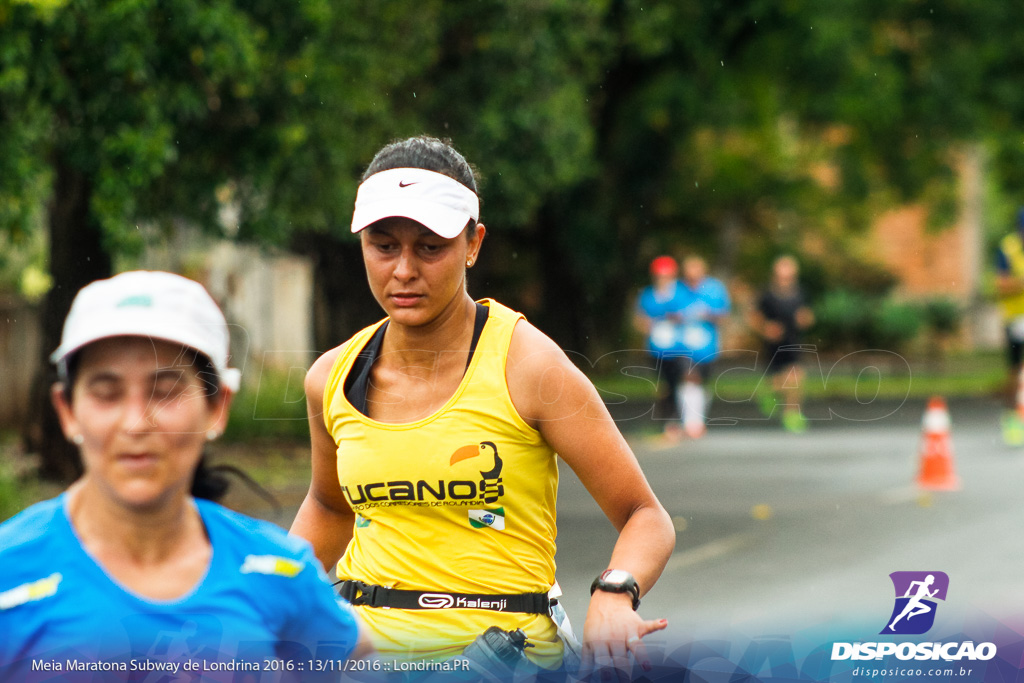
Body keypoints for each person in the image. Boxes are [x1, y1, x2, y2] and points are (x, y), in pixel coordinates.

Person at [289, 136, 675, 678]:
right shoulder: (332, 377)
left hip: (504, 658)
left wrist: (616, 592)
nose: (403, 270)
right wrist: (272, 596)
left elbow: (645, 516)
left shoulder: (530, 365)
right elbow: (330, 510)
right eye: (383, 245)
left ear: (473, 244)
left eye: (430, 246)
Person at [0, 271, 367, 681]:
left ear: (217, 408)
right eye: (106, 392)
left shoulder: (281, 573)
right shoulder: (9, 574)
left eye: (165, 390)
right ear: (67, 411)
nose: (136, 423)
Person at [749, 255, 815, 433]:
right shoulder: (767, 294)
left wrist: (805, 319)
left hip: (793, 341)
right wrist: (766, 328)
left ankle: (792, 413)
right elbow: (754, 317)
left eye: (789, 275)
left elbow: (807, 315)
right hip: (773, 344)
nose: (786, 279)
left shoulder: (800, 293)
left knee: (797, 376)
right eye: (782, 275)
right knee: (778, 379)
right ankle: (767, 391)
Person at [633, 255, 689, 441]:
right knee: (663, 385)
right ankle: (666, 420)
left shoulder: (681, 292)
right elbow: (639, 320)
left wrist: (677, 317)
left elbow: (689, 314)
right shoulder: (648, 295)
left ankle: (675, 421)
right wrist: (647, 325)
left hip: (679, 347)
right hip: (657, 348)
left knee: (678, 383)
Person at [675, 254, 731, 439]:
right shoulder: (678, 290)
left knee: (701, 383)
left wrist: (707, 315)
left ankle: (698, 418)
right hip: (682, 345)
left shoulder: (715, 289)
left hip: (707, 347)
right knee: (689, 378)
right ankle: (690, 422)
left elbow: (724, 316)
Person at [995, 208, 1024, 445]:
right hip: (1016, 319)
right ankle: (1011, 420)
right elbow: (1001, 285)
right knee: (1014, 371)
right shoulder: (1008, 248)